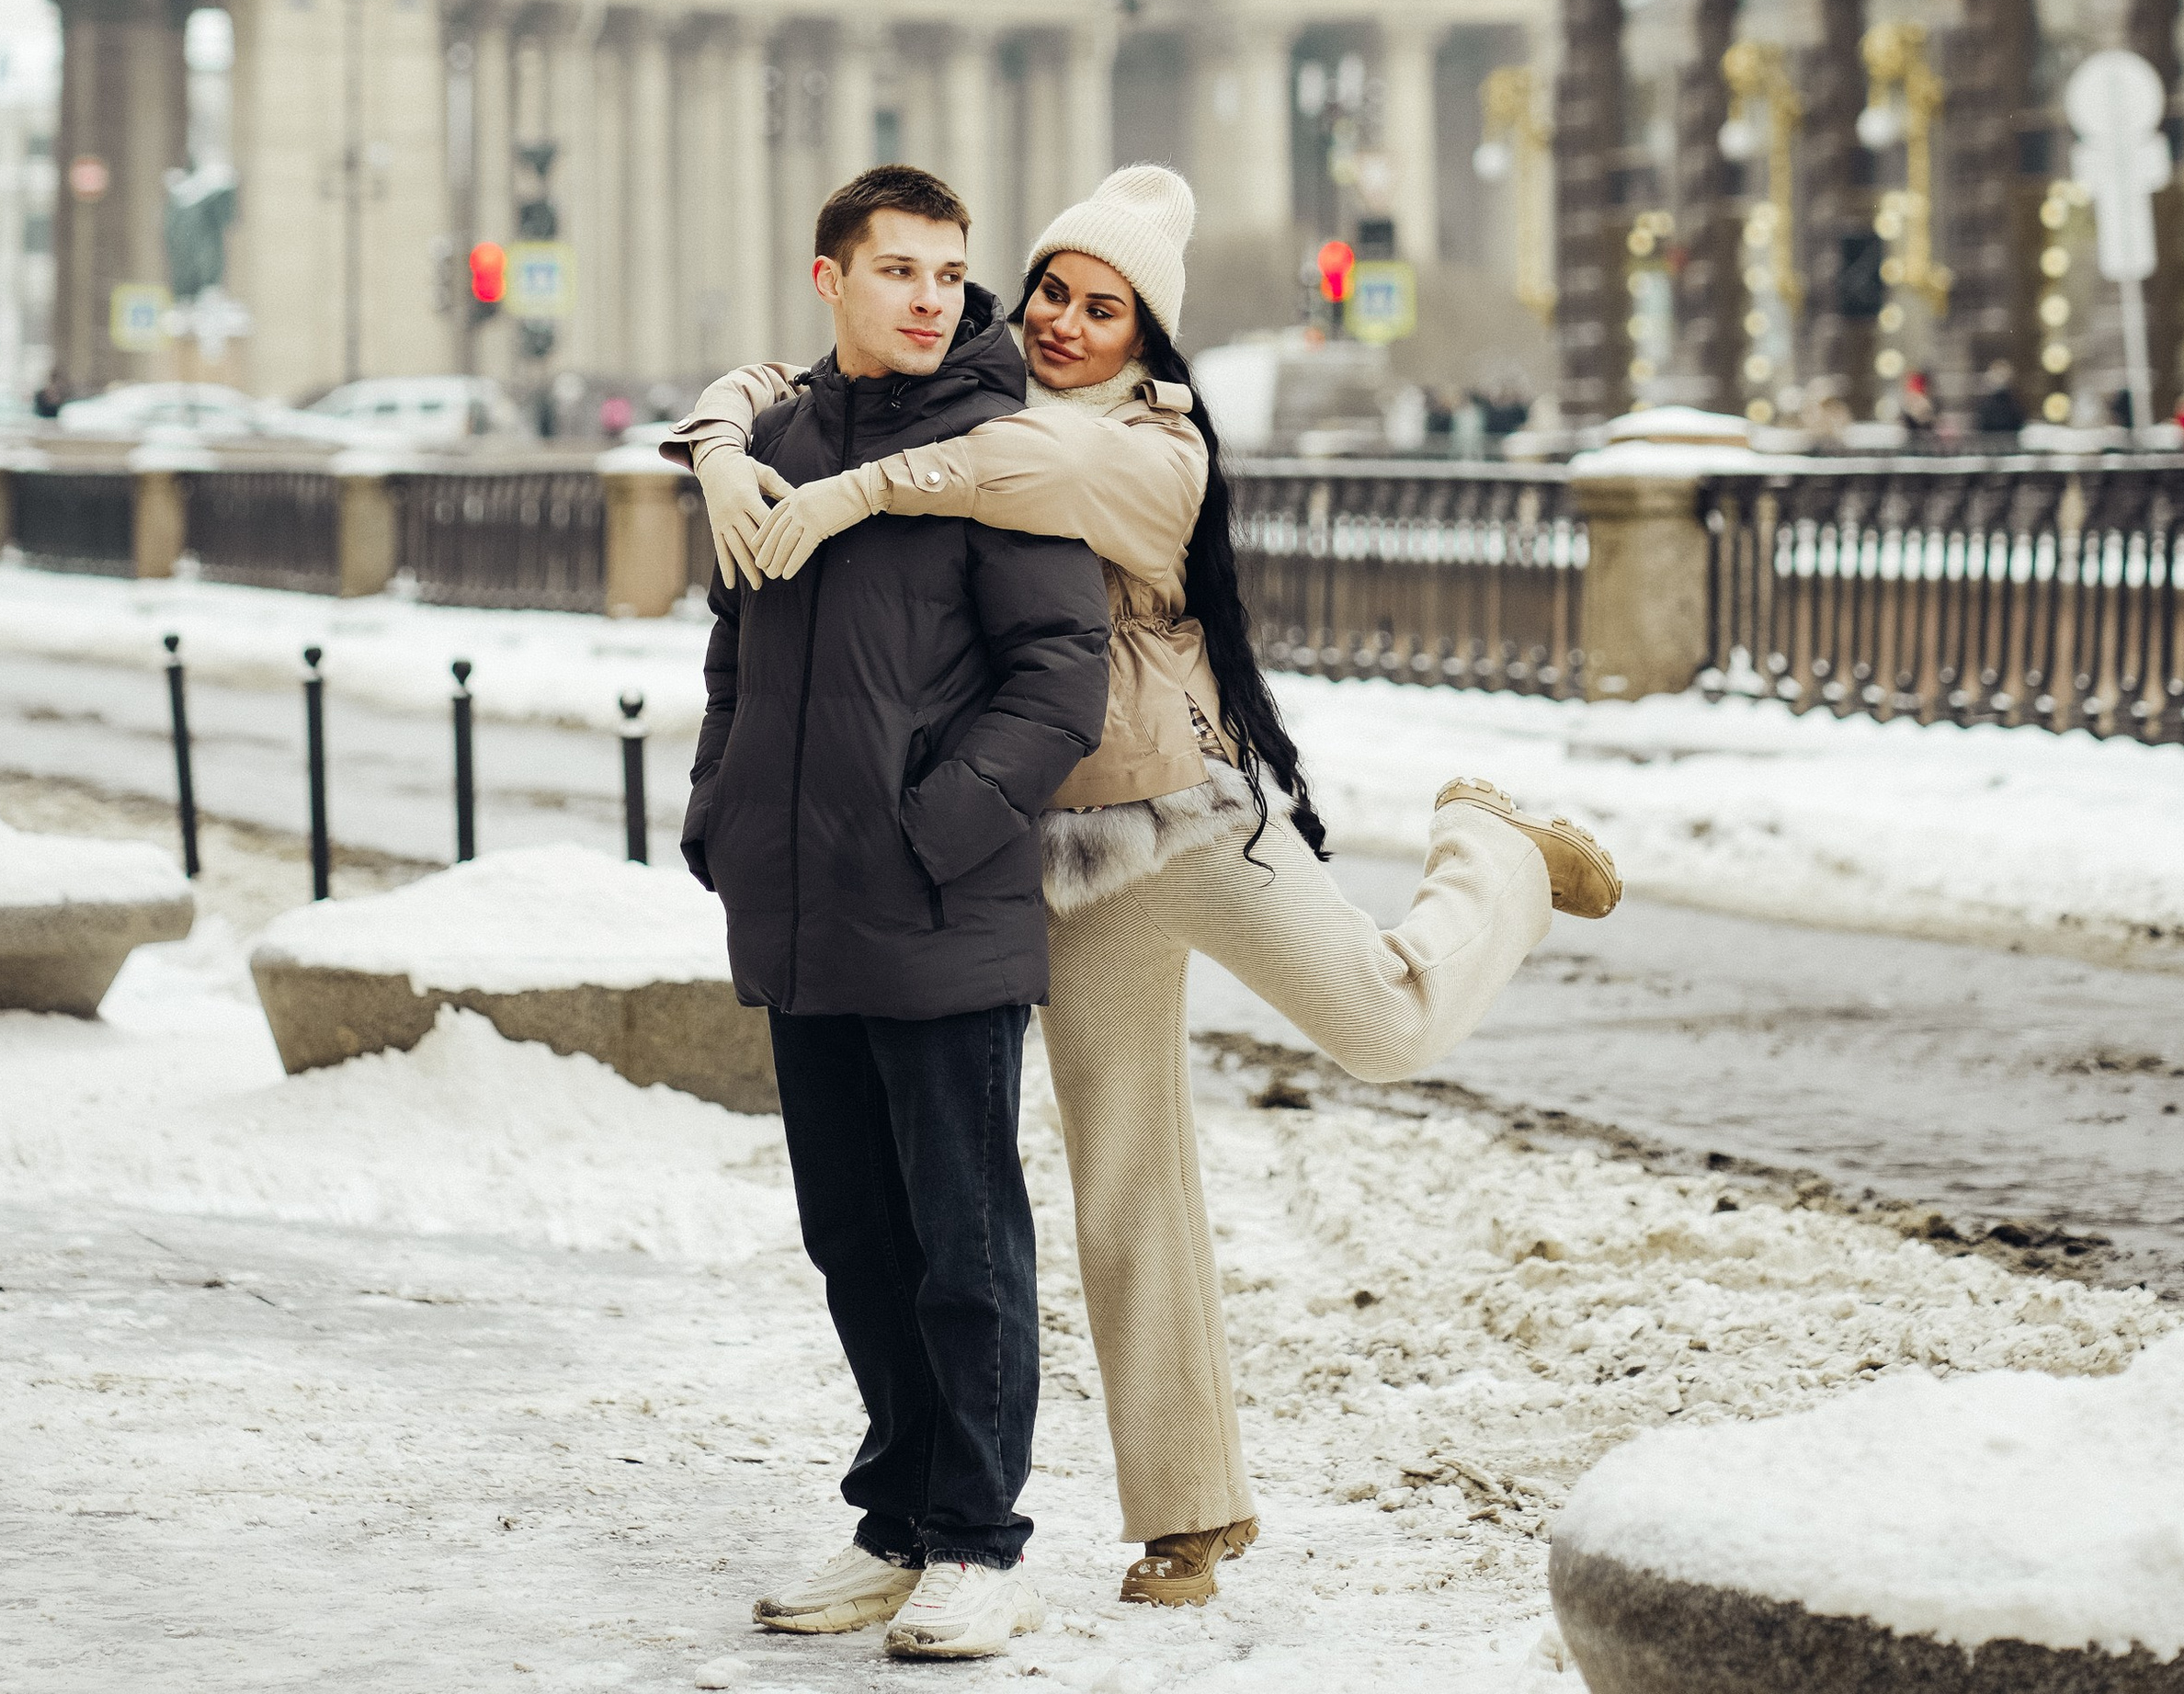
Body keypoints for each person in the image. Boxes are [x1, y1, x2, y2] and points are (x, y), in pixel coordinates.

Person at [681, 165, 1618, 1612]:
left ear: (1148, 336)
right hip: (1060, 859)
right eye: (1050, 289)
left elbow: (996, 467)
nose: (1062, 320)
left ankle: (1491, 846)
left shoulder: (1142, 447)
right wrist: (727, 438)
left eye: (1103, 306)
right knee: (1121, 1174)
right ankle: (1188, 1511)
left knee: (1387, 1020)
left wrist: (829, 480)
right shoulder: (973, 383)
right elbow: (792, 379)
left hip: (1188, 819)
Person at [675, 165, 1109, 1664]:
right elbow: (738, 650)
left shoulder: (1001, 449)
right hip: (802, 902)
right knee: (852, 1232)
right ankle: (900, 1524)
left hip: (938, 900)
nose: (932, 296)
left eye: (949, 270)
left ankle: (982, 1539)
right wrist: (719, 806)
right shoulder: (778, 443)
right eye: (900, 269)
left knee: (962, 1237)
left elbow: (1062, 673)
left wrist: (945, 822)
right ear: (829, 281)